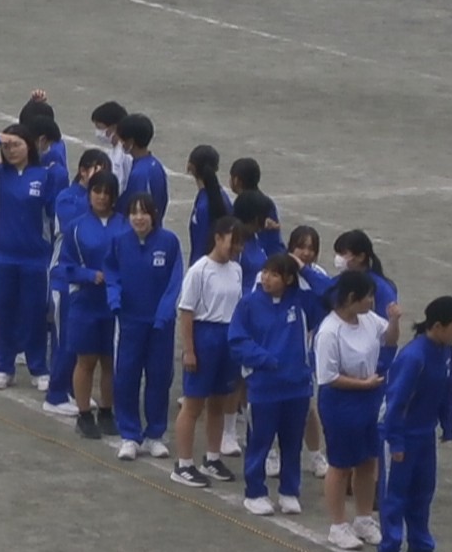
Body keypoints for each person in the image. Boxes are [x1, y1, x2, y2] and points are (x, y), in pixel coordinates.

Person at [378, 298, 452, 552]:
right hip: (403, 435)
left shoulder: (446, 351)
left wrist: (447, 424)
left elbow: (447, 389)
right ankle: (389, 549)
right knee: (396, 494)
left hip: (425, 435)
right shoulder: (414, 357)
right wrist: (396, 441)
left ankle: (419, 546)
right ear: (437, 326)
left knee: (423, 492)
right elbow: (396, 402)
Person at [0, 126, 58, 390]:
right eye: (7, 146)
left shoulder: (44, 176)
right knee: (4, 313)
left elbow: (54, 214)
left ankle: (38, 368)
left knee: (35, 314)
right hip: (4, 258)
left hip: (36, 259)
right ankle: (4, 367)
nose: (11, 151)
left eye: (17, 145)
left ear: (29, 146)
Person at [232, 253, 315, 517]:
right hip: (264, 388)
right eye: (265, 272)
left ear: (289, 279)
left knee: (292, 444)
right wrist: (265, 360)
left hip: (297, 388)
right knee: (260, 441)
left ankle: (289, 491)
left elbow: (331, 295)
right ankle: (255, 492)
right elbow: (237, 340)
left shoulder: (302, 302)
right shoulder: (249, 303)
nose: (266, 278)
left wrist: (305, 270)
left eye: (275, 274)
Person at [105, 192, 184, 465]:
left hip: (160, 326)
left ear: (154, 215)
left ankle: (155, 434)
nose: (139, 218)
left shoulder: (169, 242)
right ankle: (129, 434)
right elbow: (111, 273)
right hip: (130, 321)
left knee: (159, 377)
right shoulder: (119, 242)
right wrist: (114, 300)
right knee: (126, 376)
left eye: (144, 212)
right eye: (134, 213)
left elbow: (175, 280)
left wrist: (164, 313)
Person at [317, 270, 391, 552]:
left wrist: (395, 320)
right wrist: (363, 384)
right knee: (340, 465)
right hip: (341, 402)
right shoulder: (329, 331)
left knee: (368, 460)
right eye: (368, 296)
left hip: (369, 398)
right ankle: (338, 525)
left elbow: (389, 339)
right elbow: (328, 377)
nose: (372, 301)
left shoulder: (369, 319)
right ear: (351, 298)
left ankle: (363, 519)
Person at [172, 218, 245, 486]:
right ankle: (183, 463)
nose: (236, 248)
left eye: (239, 244)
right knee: (193, 404)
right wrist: (189, 350)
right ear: (218, 238)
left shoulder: (236, 270)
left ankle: (212, 458)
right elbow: (186, 312)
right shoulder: (199, 270)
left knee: (219, 402)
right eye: (232, 242)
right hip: (205, 336)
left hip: (228, 337)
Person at [51, 173, 123, 441]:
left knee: (110, 360)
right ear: (89, 193)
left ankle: (106, 411)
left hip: (115, 305)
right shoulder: (76, 227)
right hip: (86, 303)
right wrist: (89, 275)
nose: (102, 197)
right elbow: (63, 267)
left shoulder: (125, 225)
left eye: (107, 192)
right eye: (97, 191)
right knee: (86, 360)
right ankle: (84, 414)